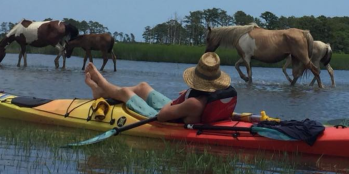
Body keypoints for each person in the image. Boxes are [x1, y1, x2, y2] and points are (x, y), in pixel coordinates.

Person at [84, 52, 237, 124]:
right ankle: (101, 91)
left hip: (166, 118)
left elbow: (162, 115)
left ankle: (102, 84)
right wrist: (189, 95)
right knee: (143, 86)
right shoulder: (215, 93)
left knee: (125, 93)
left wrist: (184, 98)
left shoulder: (194, 103)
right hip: (180, 110)